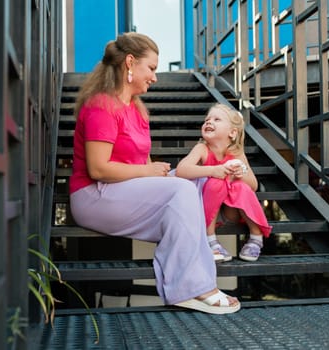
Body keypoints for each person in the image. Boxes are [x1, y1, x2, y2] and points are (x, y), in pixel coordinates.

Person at [68, 32, 240, 314]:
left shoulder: (137, 110)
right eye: (151, 68)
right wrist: (148, 171)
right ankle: (191, 287)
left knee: (191, 179)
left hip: (121, 192)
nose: (154, 77)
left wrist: (158, 174)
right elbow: (98, 169)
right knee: (181, 189)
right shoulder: (102, 106)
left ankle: (192, 277)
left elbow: (141, 163)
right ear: (130, 63)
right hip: (93, 196)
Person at [176, 103, 272, 262]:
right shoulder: (202, 148)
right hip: (207, 207)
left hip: (230, 210)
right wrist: (213, 171)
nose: (208, 122)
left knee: (241, 186)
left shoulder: (236, 154)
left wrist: (241, 174)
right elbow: (181, 170)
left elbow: (253, 185)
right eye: (207, 119)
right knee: (215, 182)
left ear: (232, 133)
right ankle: (210, 239)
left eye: (216, 119)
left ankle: (256, 237)